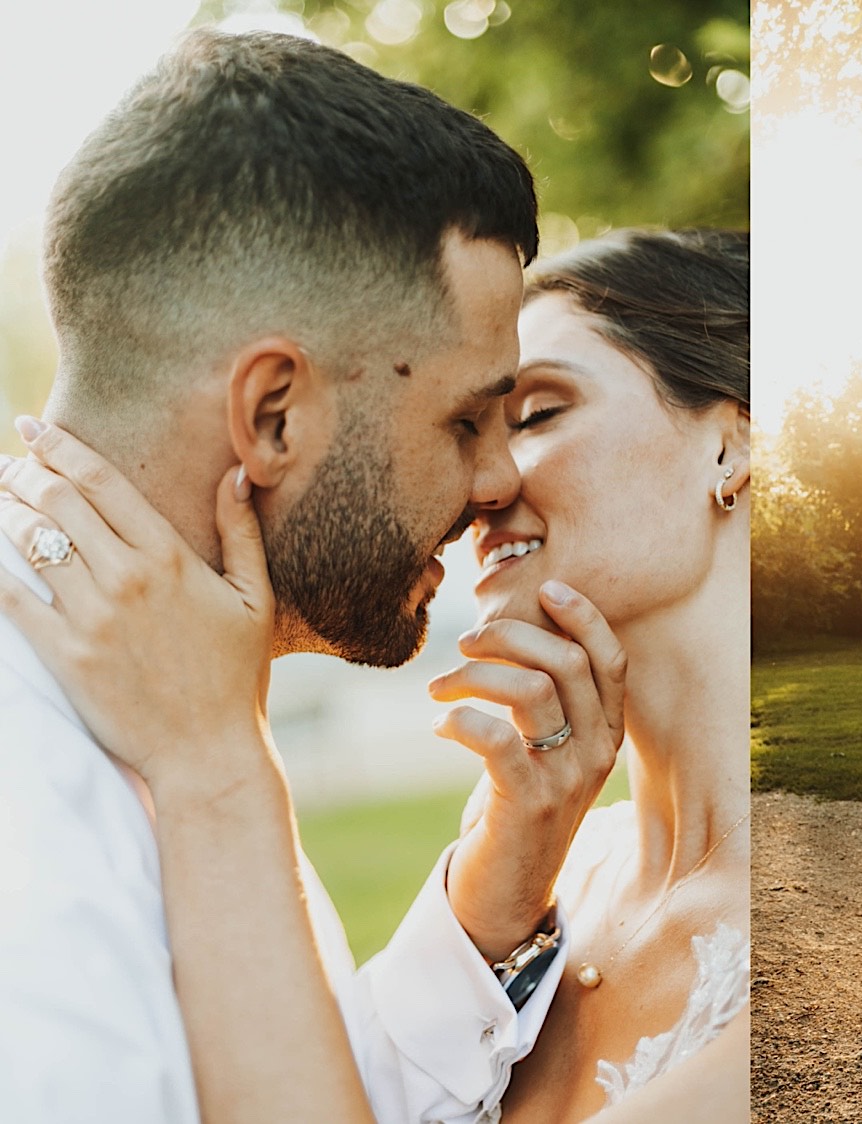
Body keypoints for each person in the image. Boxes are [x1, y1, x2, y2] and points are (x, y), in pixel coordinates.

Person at [0, 227, 750, 1122]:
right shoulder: (553, 877)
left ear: (732, 445)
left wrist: (216, 764)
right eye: (469, 425)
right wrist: (487, 908)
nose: (490, 482)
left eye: (539, 413)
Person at [0, 28, 612, 1123]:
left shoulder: (169, 681)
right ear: (272, 413)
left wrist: (497, 893)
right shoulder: (41, 793)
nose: (498, 476)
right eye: (466, 417)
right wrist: (218, 776)